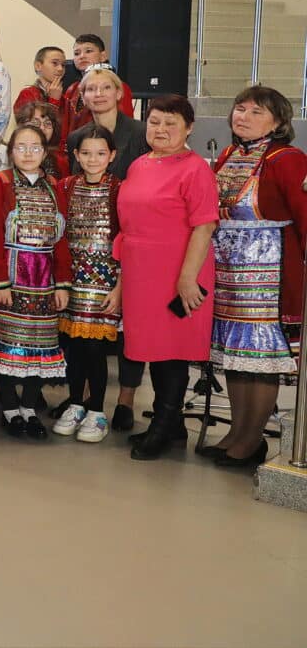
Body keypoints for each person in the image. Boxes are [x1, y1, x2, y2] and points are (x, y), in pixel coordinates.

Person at [203, 86, 307, 467]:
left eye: (256, 112)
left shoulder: (288, 159)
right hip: (229, 272)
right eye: (240, 109)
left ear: (278, 122)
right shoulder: (229, 155)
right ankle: (237, 432)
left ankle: (252, 438)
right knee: (237, 356)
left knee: (260, 356)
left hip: (268, 274)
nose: (243, 117)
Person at [118, 96, 218, 460]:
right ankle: (171, 423)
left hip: (179, 270)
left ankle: (162, 428)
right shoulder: (140, 165)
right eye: (155, 122)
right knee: (153, 349)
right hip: (141, 271)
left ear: (189, 128)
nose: (160, 129)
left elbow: (204, 226)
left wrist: (187, 279)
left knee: (173, 350)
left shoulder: (196, 169)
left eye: (170, 123)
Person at [0, 124, 71, 440]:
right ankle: (9, 407)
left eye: (35, 147)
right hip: (12, 276)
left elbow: (62, 239)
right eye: (21, 147)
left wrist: (62, 283)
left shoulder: (54, 187)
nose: (29, 153)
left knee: (40, 346)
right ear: (11, 152)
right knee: (8, 344)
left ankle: (29, 408)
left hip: (44, 281)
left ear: (45, 152)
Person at [52, 125, 122, 443]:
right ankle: (75, 404)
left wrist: (120, 286)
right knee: (75, 346)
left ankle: (97, 411)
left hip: (105, 281)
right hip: (73, 279)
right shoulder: (66, 186)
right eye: (87, 153)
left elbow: (127, 237)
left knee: (95, 349)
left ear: (112, 155)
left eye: (100, 153)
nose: (93, 159)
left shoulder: (119, 189)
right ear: (77, 156)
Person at [67, 64, 147, 180]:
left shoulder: (142, 132)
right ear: (83, 98)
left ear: (118, 93)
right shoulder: (75, 138)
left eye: (106, 87)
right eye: (91, 89)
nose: (99, 94)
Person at [62, 33, 134, 136]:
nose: (82, 56)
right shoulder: (72, 88)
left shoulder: (117, 87)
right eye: (77, 53)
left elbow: (126, 127)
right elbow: (65, 128)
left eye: (88, 51)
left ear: (103, 56)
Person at [14, 46, 69, 127]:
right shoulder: (27, 94)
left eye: (63, 65)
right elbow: (35, 128)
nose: (60, 69)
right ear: (38, 66)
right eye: (55, 63)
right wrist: (54, 101)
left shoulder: (65, 97)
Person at [17, 101, 69, 178]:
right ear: (21, 126)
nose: (42, 128)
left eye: (47, 123)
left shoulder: (61, 162)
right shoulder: (7, 156)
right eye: (35, 123)